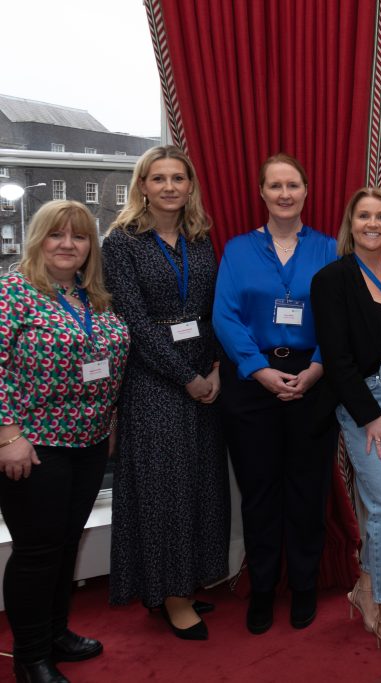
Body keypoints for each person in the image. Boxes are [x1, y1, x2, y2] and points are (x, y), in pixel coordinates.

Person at [0, 201, 130, 683]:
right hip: (33, 445)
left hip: (90, 441)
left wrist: (111, 419)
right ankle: (31, 657)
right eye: (57, 235)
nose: (67, 245)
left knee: (65, 543)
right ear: (38, 238)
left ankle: (56, 633)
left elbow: (109, 363)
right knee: (37, 551)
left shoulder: (91, 296)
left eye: (78, 237)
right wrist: (7, 435)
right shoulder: (14, 293)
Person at [103, 146, 229, 641]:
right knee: (165, 490)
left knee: (201, 484)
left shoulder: (200, 239)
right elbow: (132, 320)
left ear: (190, 186)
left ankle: (186, 580)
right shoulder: (121, 243)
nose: (170, 186)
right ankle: (170, 595)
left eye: (179, 178)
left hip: (204, 372)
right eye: (159, 178)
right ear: (143, 186)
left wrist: (215, 366)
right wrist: (187, 377)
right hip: (155, 382)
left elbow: (213, 305)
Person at [213, 153, 338, 635]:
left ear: (306, 192)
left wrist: (317, 368)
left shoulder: (328, 249)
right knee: (260, 493)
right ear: (262, 193)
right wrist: (258, 369)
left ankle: (304, 584)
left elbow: (339, 315)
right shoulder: (238, 249)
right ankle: (263, 588)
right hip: (251, 384)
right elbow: (226, 316)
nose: (285, 194)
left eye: (293, 185)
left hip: (313, 378)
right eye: (275, 186)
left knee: (308, 492)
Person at [310, 188, 381, 666]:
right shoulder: (332, 279)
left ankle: (366, 587)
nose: (373, 223)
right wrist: (369, 414)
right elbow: (336, 359)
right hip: (369, 401)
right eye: (364, 216)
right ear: (351, 224)